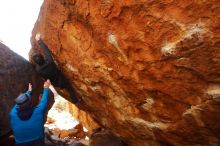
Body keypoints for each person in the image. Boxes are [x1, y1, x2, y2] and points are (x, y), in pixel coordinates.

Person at [32, 33, 79, 104]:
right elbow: (46, 51)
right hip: (62, 80)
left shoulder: (39, 71)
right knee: (70, 89)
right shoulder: (49, 61)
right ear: (42, 57)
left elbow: (42, 76)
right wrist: (39, 40)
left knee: (64, 86)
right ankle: (76, 101)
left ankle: (63, 88)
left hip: (56, 83)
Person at [9, 80, 51, 146]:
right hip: (38, 142)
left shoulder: (12, 114)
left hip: (20, 144)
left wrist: (28, 92)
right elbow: (44, 101)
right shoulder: (38, 111)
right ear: (30, 103)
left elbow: (18, 104)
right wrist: (46, 88)